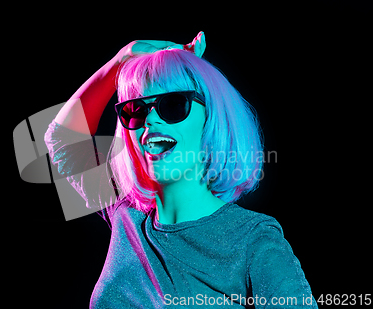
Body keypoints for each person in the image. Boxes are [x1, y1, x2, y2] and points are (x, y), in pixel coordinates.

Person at [45, 32, 317, 308]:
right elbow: (61, 140)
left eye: (173, 105)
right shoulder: (126, 214)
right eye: (136, 110)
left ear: (211, 117)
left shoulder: (253, 239)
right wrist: (120, 60)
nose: (149, 118)